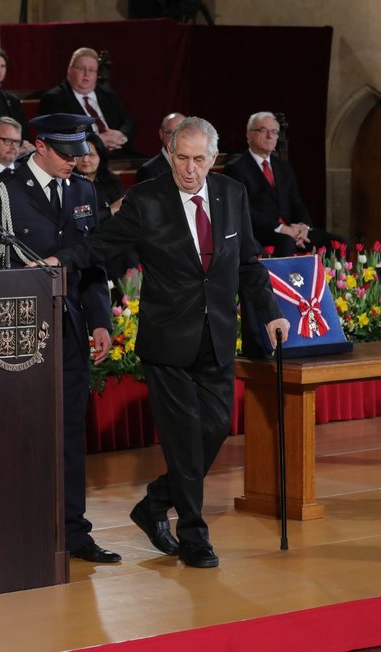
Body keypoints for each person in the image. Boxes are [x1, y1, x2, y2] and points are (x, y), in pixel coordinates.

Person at [45, 117, 289, 568]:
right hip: (167, 342)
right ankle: (194, 534)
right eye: (182, 158)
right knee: (182, 442)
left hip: (217, 336)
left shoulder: (232, 195)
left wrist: (271, 313)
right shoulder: (147, 199)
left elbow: (250, 263)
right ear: (170, 155)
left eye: (199, 159)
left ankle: (155, 502)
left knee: (214, 429)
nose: (190, 169)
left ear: (213, 159)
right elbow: (100, 245)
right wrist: (58, 260)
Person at [0, 113, 119, 565]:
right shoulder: (0, 194)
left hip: (70, 328)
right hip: (17, 334)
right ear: (39, 146)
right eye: (67, 153)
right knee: (17, 433)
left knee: (70, 433)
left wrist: (99, 320)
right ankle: (12, 527)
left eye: (80, 152)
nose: (76, 161)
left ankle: (73, 531)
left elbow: (92, 264)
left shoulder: (83, 190)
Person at [223, 111, 345, 257]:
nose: (270, 136)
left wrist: (303, 227)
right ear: (248, 135)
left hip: (292, 230)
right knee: (287, 242)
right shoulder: (236, 168)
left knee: (339, 243)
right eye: (263, 130)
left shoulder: (283, 166)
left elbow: (296, 203)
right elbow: (244, 210)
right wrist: (281, 228)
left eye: (274, 132)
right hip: (262, 232)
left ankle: (333, 280)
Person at [38, 47, 137, 158]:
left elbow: (128, 123)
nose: (86, 74)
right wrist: (97, 140)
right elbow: (61, 135)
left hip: (119, 153)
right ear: (69, 70)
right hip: (80, 156)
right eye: (81, 69)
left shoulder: (108, 95)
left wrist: (121, 135)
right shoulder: (54, 98)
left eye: (91, 70)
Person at [76, 132, 136, 280]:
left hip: (113, 241)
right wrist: (109, 211)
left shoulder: (111, 181)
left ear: (100, 157)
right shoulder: (69, 184)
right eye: (81, 155)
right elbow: (78, 215)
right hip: (86, 243)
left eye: (91, 155)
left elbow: (123, 211)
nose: (86, 160)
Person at [135, 112, 184, 183]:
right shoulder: (148, 171)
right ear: (161, 134)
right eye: (170, 132)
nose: (175, 138)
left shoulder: (196, 166)